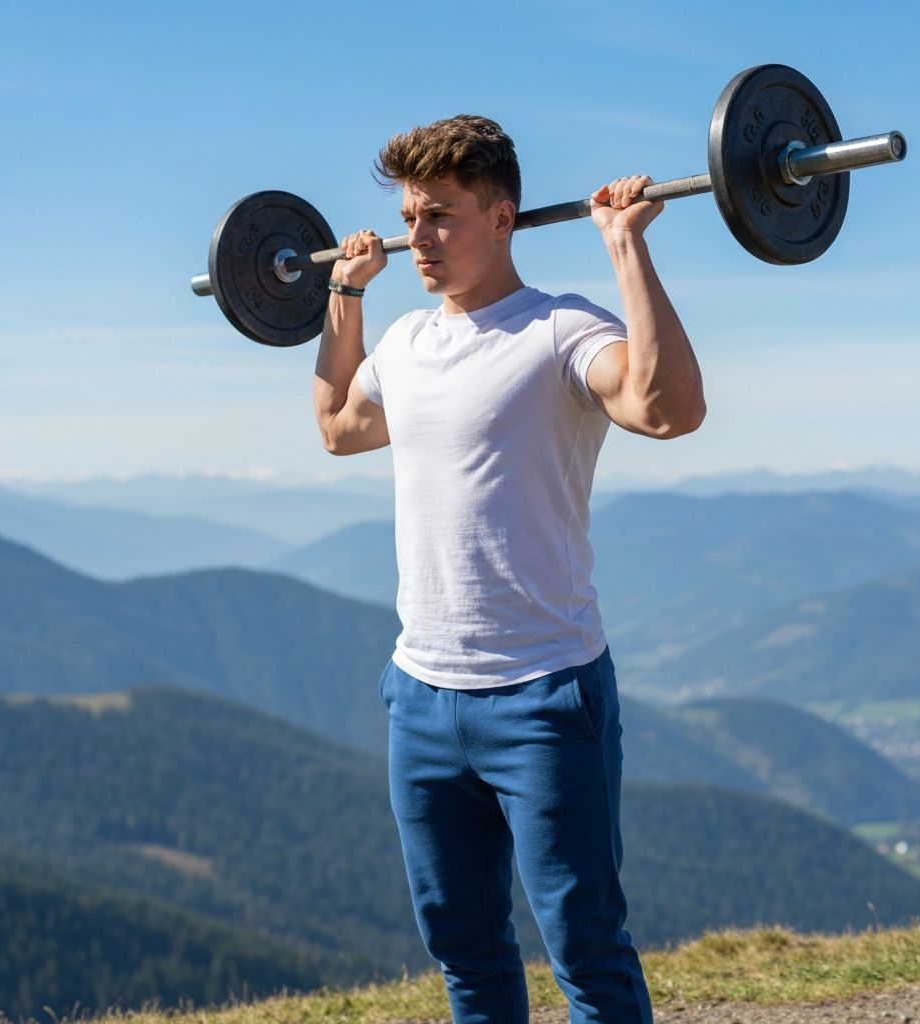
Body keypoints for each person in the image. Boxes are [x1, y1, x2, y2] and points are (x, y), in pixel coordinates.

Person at [312, 114, 705, 1024]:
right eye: (411, 216)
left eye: (441, 215)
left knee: (589, 956)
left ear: (503, 217)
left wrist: (625, 249)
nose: (419, 238)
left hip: (545, 696)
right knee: (467, 957)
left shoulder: (563, 328)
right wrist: (344, 294)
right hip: (420, 696)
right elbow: (337, 428)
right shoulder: (406, 343)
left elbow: (668, 408)